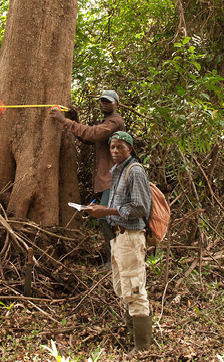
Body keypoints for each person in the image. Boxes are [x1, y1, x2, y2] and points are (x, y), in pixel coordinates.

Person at [83, 131, 153, 356]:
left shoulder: (135, 171)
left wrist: (108, 211)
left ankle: (142, 347)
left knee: (134, 290)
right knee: (123, 289)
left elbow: (141, 207)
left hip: (131, 238)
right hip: (118, 239)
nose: (115, 151)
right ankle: (132, 337)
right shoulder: (117, 170)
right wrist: (97, 209)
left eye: (120, 147)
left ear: (130, 149)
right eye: (112, 147)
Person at [49, 90, 125, 271]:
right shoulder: (107, 123)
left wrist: (63, 120)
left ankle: (112, 261)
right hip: (106, 180)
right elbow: (88, 139)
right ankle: (115, 258)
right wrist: (75, 121)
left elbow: (92, 134)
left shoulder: (116, 121)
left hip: (113, 180)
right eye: (102, 101)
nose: (104, 104)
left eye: (108, 101)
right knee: (107, 218)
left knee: (105, 217)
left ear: (117, 104)